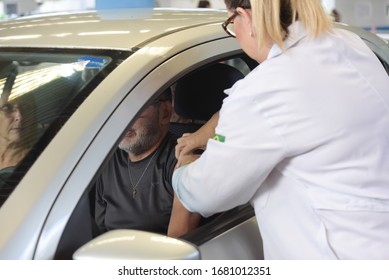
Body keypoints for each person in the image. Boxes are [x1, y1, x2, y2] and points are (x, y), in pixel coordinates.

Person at [173, 0, 389, 259]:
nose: (235, 34)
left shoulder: (266, 90)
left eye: (231, 24)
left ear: (245, 17)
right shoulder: (349, 43)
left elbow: (205, 195)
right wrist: (203, 133)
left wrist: (184, 168)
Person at [94, 88, 201, 238]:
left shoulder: (184, 161)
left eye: (134, 108)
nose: (123, 119)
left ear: (164, 113)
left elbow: (178, 249)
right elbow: (99, 232)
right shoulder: (108, 161)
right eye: (117, 109)